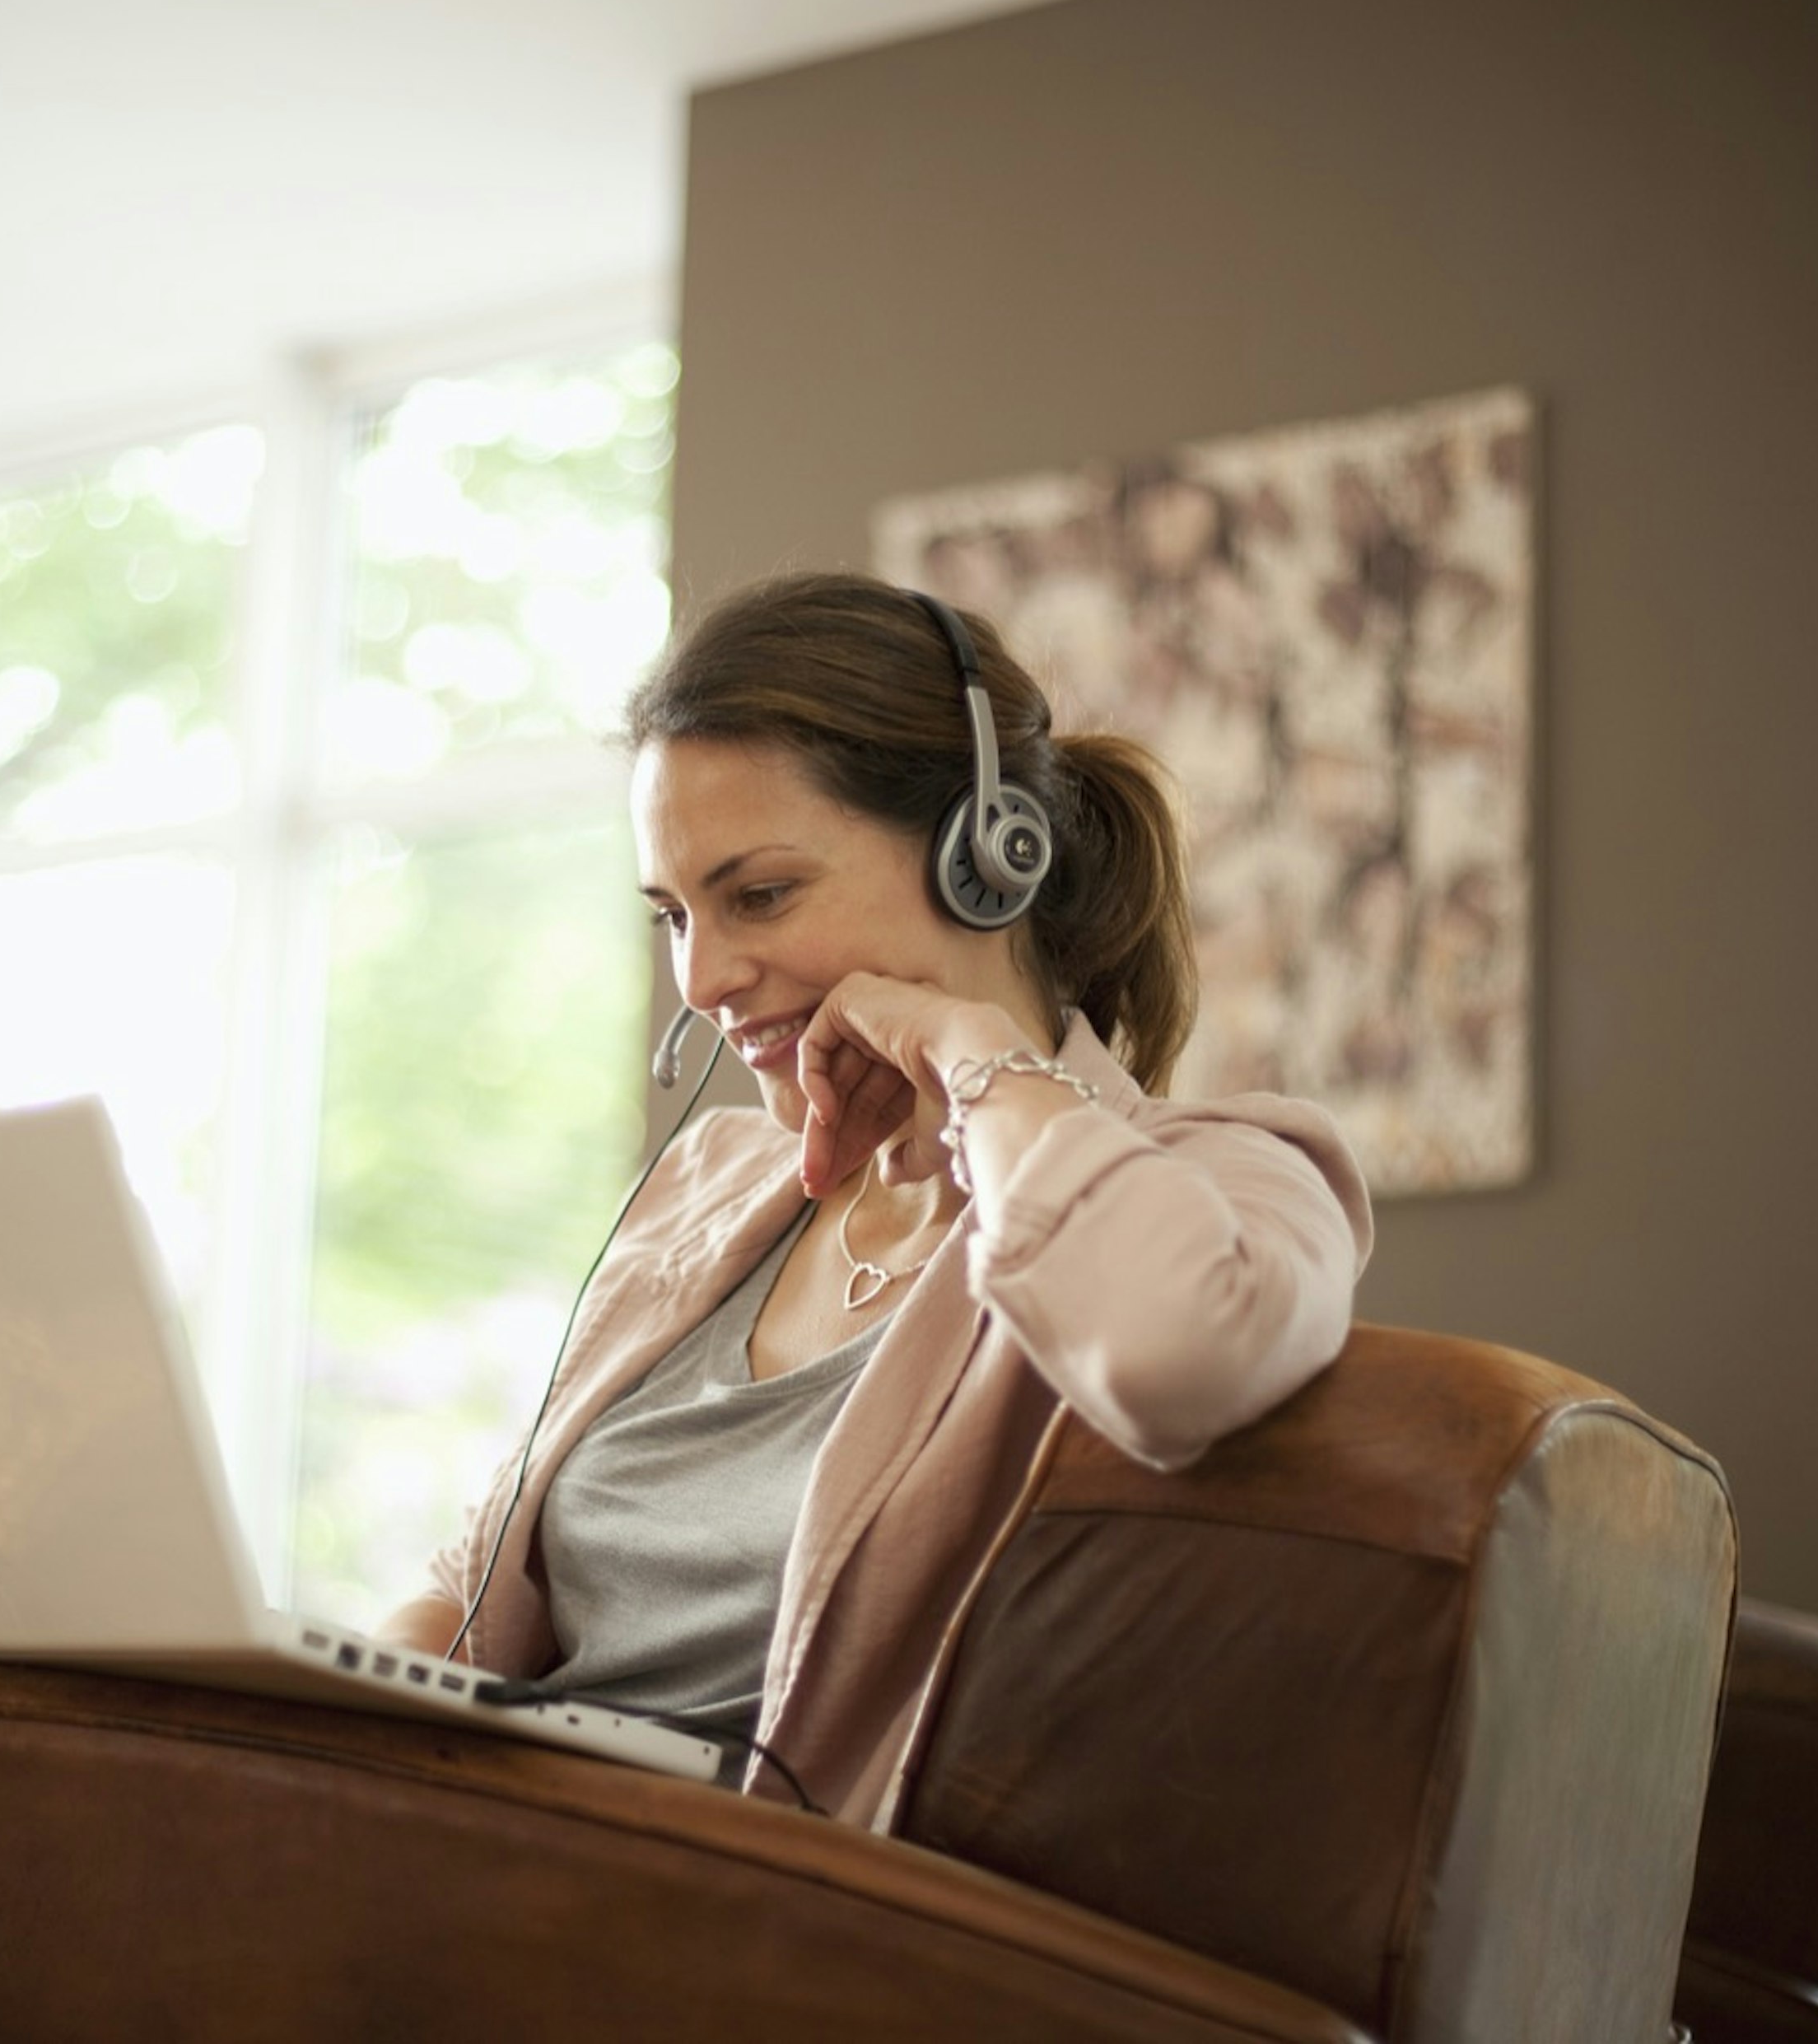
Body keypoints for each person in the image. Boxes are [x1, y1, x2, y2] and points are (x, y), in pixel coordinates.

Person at [380, 572, 1374, 1829]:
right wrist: (346, 1710)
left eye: (759, 895)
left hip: (790, 1924)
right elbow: (473, 1584)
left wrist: (968, 1054)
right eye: (673, 914)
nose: (703, 976)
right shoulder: (710, 1181)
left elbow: (1170, 1353)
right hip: (495, 1850)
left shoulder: (1229, 1173)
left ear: (984, 859)